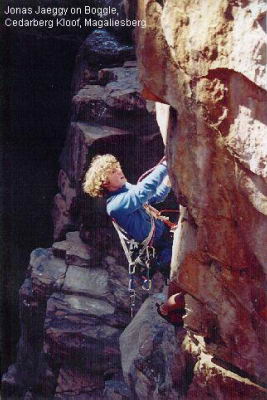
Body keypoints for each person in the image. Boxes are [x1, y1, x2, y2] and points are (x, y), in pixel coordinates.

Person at [83, 154, 185, 326]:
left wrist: (166, 183)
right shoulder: (115, 206)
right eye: (113, 172)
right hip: (159, 250)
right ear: (104, 183)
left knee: (182, 285)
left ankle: (172, 308)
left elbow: (152, 197)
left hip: (165, 236)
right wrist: (165, 165)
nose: (119, 171)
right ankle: (165, 310)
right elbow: (142, 193)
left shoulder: (125, 189)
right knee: (184, 288)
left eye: (117, 167)